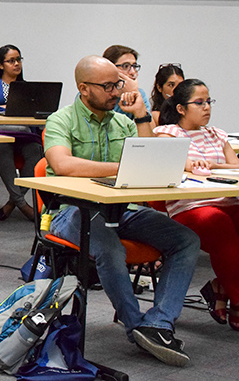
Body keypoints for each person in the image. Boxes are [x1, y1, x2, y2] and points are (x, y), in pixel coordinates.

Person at [44, 55, 199, 367]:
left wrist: (142, 115)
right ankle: (136, 326)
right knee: (110, 248)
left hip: (122, 209)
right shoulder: (60, 120)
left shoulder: (123, 122)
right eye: (108, 86)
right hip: (72, 211)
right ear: (83, 88)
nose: (116, 92)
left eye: (118, 84)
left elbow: (152, 160)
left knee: (186, 240)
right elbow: (62, 164)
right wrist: (120, 167)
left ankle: (158, 323)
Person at [154, 78, 239, 330]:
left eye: (209, 102)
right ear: (181, 108)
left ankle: (222, 287)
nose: (207, 108)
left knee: (227, 220)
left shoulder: (217, 134)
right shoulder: (168, 134)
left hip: (226, 199)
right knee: (218, 222)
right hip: (191, 207)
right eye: (199, 103)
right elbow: (169, 166)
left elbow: (235, 166)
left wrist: (213, 165)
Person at [0, 45, 42, 221]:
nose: (16, 64)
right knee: (2, 150)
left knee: (36, 152)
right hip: (1, 134)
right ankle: (23, 204)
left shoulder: (27, 87)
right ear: (1, 65)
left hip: (25, 134)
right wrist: (11, 108)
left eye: (18, 60)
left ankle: (12, 202)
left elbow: (34, 109)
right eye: (11, 61)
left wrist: (6, 108)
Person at [102, 45, 153, 124]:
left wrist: (136, 95)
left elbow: (149, 133)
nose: (133, 72)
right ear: (108, 68)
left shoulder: (139, 93)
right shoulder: (94, 92)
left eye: (134, 66)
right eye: (125, 66)